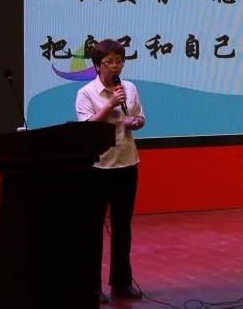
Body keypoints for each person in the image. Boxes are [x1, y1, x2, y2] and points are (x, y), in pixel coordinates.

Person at [75, 38, 146, 303]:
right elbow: (87, 128)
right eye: (110, 62)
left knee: (122, 228)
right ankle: (91, 287)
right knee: (92, 230)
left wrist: (136, 121)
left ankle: (121, 283)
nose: (116, 66)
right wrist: (109, 105)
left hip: (126, 163)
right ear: (97, 66)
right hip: (97, 167)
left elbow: (140, 117)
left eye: (119, 61)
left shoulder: (130, 88)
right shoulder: (86, 93)